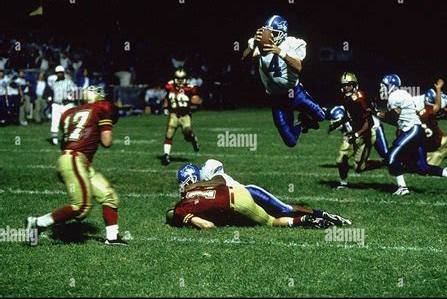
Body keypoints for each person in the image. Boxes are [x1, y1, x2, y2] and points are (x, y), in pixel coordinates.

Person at [25, 85, 127, 246]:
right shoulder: (102, 107)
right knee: (81, 207)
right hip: (75, 160)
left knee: (109, 196)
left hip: (72, 160)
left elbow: (65, 142)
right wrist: (106, 125)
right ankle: (38, 223)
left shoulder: (68, 113)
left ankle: (112, 238)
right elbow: (107, 141)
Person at [166, 164, 351, 229]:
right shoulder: (195, 192)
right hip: (238, 202)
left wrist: (196, 186)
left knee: (285, 209)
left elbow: (220, 181)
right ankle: (309, 220)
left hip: (249, 192)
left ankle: (323, 214)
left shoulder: (207, 171)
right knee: (278, 216)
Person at [242, 15, 326, 147]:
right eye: (268, 33)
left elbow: (298, 67)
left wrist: (280, 52)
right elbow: (245, 60)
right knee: (290, 142)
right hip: (276, 99)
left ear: (283, 33)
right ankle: (302, 122)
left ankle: (309, 117)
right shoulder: (259, 45)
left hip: (296, 93)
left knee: (321, 116)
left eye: (274, 34)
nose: (271, 37)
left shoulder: (291, 44)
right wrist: (252, 46)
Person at [377, 75, 447, 195]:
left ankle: (402, 187)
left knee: (391, 158)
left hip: (412, 131)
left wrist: (379, 114)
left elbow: (393, 118)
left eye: (383, 86)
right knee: (423, 167)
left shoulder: (395, 96)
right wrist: (380, 115)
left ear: (390, 86)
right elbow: (396, 120)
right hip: (416, 132)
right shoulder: (399, 94)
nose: (381, 89)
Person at [329, 72, 387, 189]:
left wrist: (356, 134)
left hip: (366, 134)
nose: (346, 88)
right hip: (354, 132)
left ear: (354, 85)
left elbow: (369, 122)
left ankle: (381, 163)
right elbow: (351, 115)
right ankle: (343, 184)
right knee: (341, 159)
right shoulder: (347, 97)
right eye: (344, 85)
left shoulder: (359, 98)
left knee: (359, 168)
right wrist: (340, 122)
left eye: (349, 85)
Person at [161, 69, 202, 165]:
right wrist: (166, 107)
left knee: (187, 132)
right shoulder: (170, 86)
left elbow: (199, 99)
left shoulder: (190, 88)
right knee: (169, 133)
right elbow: (167, 97)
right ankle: (166, 155)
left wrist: (196, 101)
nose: (180, 80)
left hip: (185, 115)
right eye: (178, 78)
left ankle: (193, 139)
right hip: (174, 114)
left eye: (182, 78)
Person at [49, 65, 77, 145]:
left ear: (63, 73)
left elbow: (76, 92)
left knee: (68, 122)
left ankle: (68, 138)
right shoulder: (54, 83)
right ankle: (54, 140)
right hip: (56, 104)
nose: (59, 74)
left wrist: (70, 98)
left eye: (61, 72)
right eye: (58, 73)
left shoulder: (69, 81)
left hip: (67, 104)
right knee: (55, 122)